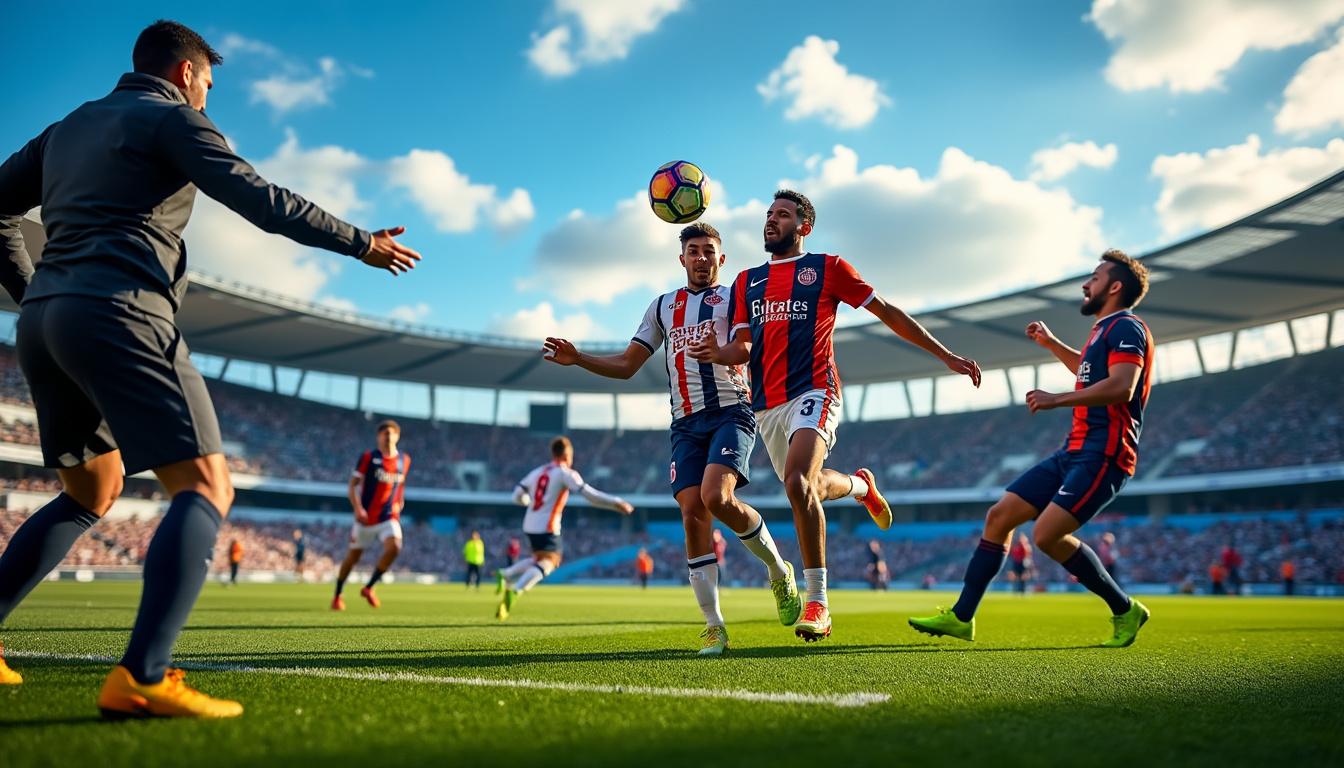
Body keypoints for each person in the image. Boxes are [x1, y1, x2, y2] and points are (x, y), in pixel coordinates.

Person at [0, 20, 420, 713]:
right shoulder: (172, 117)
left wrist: (37, 292)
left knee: (91, 491)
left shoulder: (64, 129)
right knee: (206, 485)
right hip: (122, 312)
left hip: (43, 326)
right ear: (187, 73)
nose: (207, 100)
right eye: (209, 87)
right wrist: (360, 242)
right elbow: (261, 199)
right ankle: (142, 677)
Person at [690, 190, 981, 642]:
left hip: (815, 389)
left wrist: (945, 355)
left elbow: (887, 312)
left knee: (797, 483)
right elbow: (743, 347)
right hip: (767, 404)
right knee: (811, 485)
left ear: (804, 226)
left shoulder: (829, 268)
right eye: (769, 213)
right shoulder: (747, 281)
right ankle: (861, 485)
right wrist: (717, 353)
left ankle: (818, 603)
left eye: (783, 214)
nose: (771, 220)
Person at [541, 222, 800, 655]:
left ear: (722, 258)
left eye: (709, 251)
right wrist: (578, 358)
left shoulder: (736, 296)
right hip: (685, 424)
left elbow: (751, 348)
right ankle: (715, 626)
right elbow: (628, 365)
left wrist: (723, 354)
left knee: (717, 497)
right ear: (682, 259)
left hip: (731, 410)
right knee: (692, 512)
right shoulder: (663, 307)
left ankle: (778, 570)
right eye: (693, 251)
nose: (701, 258)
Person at [910, 250, 1154, 648]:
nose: (1086, 284)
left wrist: (1057, 399)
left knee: (1045, 535)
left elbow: (1122, 386)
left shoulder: (1127, 326)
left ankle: (1124, 608)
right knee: (999, 516)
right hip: (1072, 451)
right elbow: (1089, 372)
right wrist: (1052, 343)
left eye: (1094, 278)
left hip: (1105, 454)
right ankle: (961, 617)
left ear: (1114, 287)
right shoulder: (1103, 330)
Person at [496, 437, 633, 620]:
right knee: (550, 562)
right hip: (547, 526)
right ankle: (516, 590)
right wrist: (616, 502)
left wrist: (530, 503)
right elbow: (590, 496)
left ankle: (507, 573)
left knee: (538, 560)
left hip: (529, 524)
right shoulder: (565, 473)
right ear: (567, 455)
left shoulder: (538, 472)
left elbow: (516, 496)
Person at [333, 420, 410, 611]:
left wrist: (400, 500)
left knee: (395, 547)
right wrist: (358, 508)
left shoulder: (404, 460)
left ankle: (369, 587)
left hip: (388, 516)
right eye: (384, 433)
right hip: (366, 518)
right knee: (353, 558)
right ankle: (337, 595)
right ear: (378, 437)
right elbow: (352, 485)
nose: (388, 437)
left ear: (397, 436)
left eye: (391, 433)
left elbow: (401, 484)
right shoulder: (368, 457)